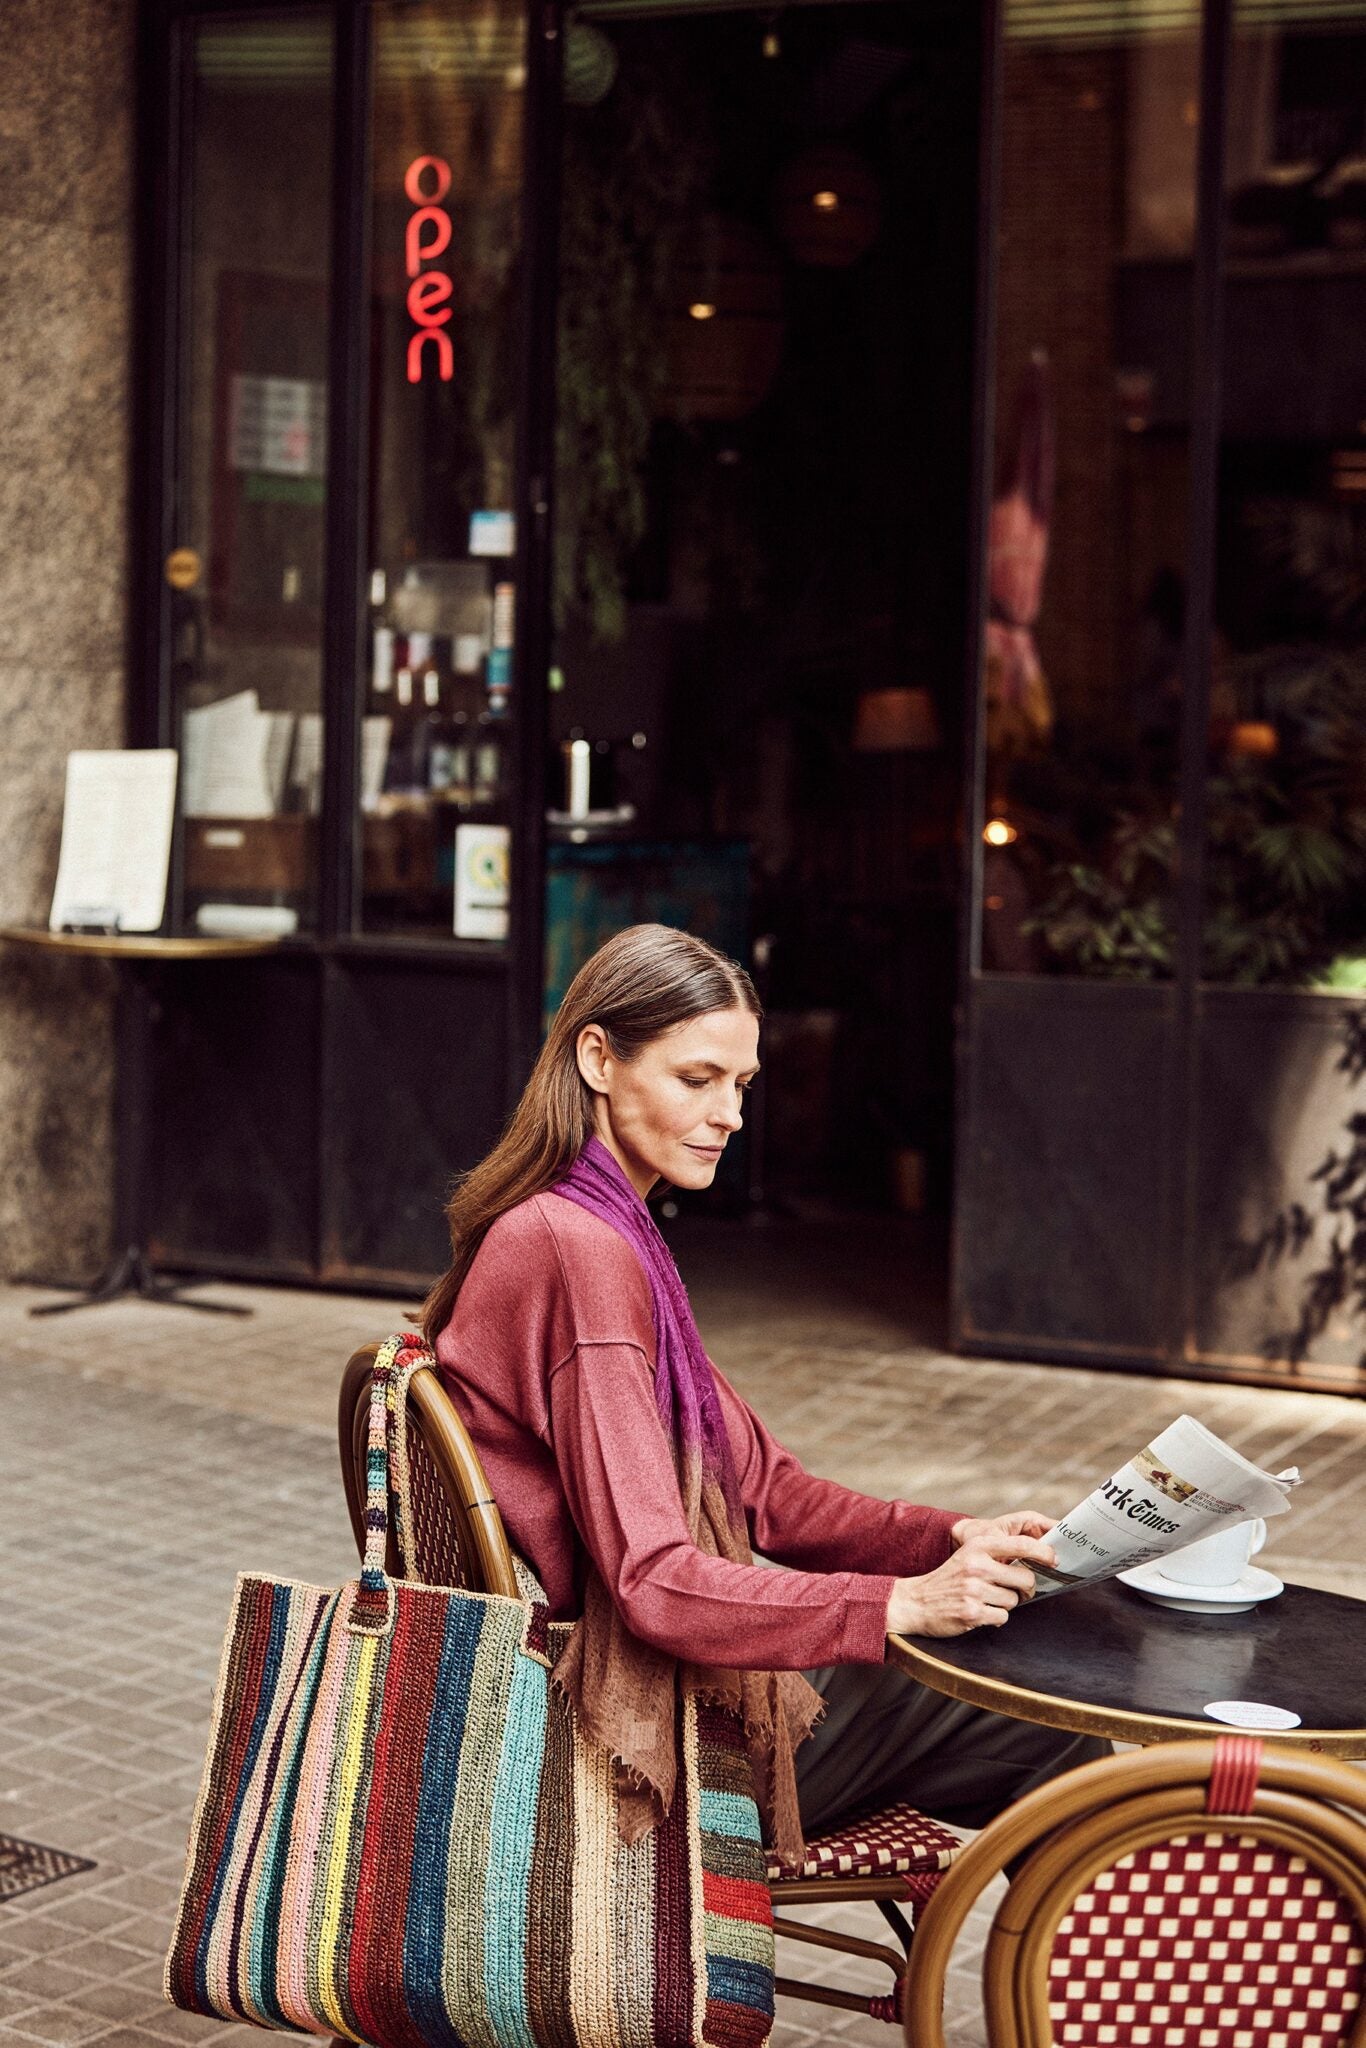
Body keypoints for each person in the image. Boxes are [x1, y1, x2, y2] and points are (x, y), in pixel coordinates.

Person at [425, 923, 1103, 1865]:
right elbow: (654, 1583)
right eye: (696, 1079)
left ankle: (1081, 1988)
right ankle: (1104, 1996)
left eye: (740, 1085)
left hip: (629, 1689)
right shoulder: (581, 1256)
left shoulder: (599, 1230)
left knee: (1016, 1670)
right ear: (597, 1059)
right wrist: (896, 1607)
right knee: (1052, 1723)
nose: (729, 1114)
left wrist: (951, 1540)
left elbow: (770, 1494)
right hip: (628, 1741)